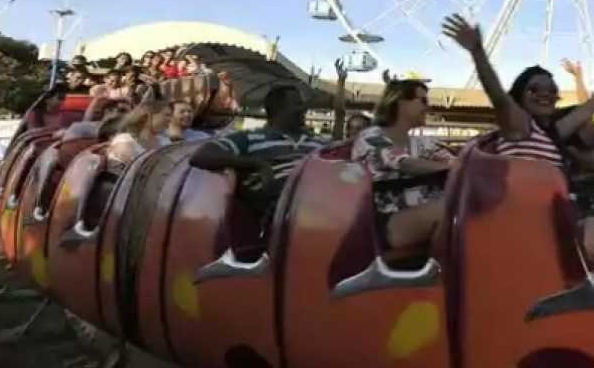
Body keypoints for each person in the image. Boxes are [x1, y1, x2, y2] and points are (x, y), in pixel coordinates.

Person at [442, 14, 594, 289]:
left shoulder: (549, 134)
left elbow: (583, 112)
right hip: (539, 231)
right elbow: (498, 96)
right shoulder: (519, 127)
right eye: (534, 89)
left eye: (552, 89)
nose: (545, 93)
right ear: (520, 96)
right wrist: (478, 52)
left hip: (558, 221)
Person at [188, 84, 321, 231]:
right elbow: (201, 155)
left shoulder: (318, 143)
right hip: (283, 208)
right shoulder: (251, 138)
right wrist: (257, 164)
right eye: (298, 104)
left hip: (320, 198)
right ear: (279, 109)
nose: (304, 109)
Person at [352, 79, 452, 252]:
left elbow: (452, 161)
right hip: (382, 222)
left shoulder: (422, 142)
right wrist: (451, 168)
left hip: (421, 213)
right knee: (451, 210)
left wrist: (457, 166)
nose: (428, 107)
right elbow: (403, 163)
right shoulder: (370, 137)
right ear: (400, 102)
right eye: (423, 101)